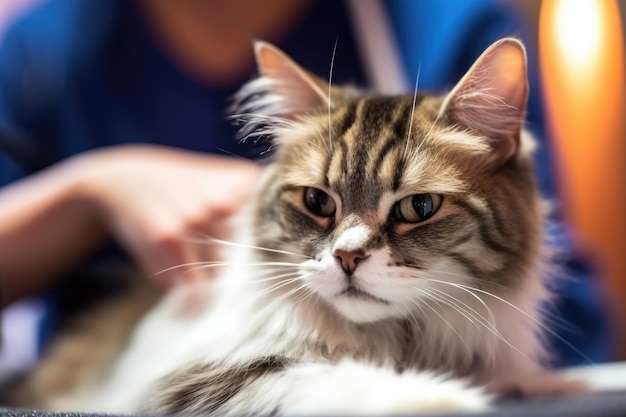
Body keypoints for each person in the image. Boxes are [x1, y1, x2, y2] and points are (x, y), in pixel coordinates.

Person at [0, 0, 612, 376]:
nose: (349, 248)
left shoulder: (448, 21)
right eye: (317, 201)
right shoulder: (40, 50)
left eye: (418, 206)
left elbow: (568, 315)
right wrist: (85, 192)